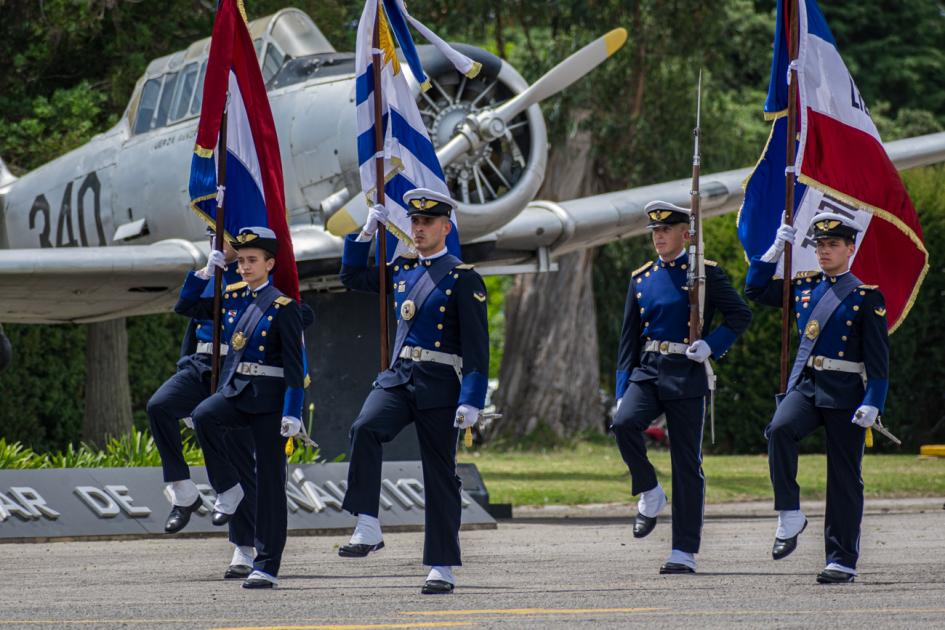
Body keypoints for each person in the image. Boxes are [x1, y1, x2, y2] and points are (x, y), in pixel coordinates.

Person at [337, 188, 488, 595]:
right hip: (400, 376)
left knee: (439, 475)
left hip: (440, 383)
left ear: (445, 227)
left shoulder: (463, 278)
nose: (418, 229)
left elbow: (477, 350)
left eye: (426, 223)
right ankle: (367, 523)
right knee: (365, 428)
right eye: (414, 222)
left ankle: (441, 565)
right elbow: (351, 277)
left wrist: (472, 399)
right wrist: (364, 233)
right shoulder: (401, 269)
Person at [745, 212, 889, 584]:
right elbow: (756, 289)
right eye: (821, 245)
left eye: (833, 245)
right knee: (779, 429)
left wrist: (873, 402)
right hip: (809, 386)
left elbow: (879, 363)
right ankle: (789, 513)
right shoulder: (806, 287)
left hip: (846, 394)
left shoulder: (865, 297)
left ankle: (841, 558)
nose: (825, 252)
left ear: (850, 249)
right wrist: (776, 249)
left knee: (843, 476)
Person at [612, 200, 752, 574]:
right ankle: (650, 491)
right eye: (655, 231)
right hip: (649, 368)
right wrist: (622, 389)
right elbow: (628, 340)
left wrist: (711, 345)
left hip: (687, 371)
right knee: (624, 424)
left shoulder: (705, 274)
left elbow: (740, 315)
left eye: (666, 230)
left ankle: (683, 550)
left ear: (686, 234)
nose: (658, 236)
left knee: (686, 463)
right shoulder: (641, 278)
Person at [177, 226, 306, 589]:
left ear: (270, 264)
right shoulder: (231, 296)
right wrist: (205, 272)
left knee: (269, 483)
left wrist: (293, 411)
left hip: (268, 400)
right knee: (204, 415)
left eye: (252, 261)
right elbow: (186, 307)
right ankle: (228, 488)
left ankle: (266, 565)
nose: (245, 267)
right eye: (242, 260)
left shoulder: (284, 307)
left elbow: (296, 368)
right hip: (235, 392)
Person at [146, 234, 257, 580]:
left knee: (238, 458)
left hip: (234, 371)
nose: (215, 241)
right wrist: (205, 275)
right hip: (201, 365)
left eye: (221, 236)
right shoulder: (210, 276)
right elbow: (188, 316)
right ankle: (184, 492)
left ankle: (245, 548)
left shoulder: (254, 281)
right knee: (159, 406)